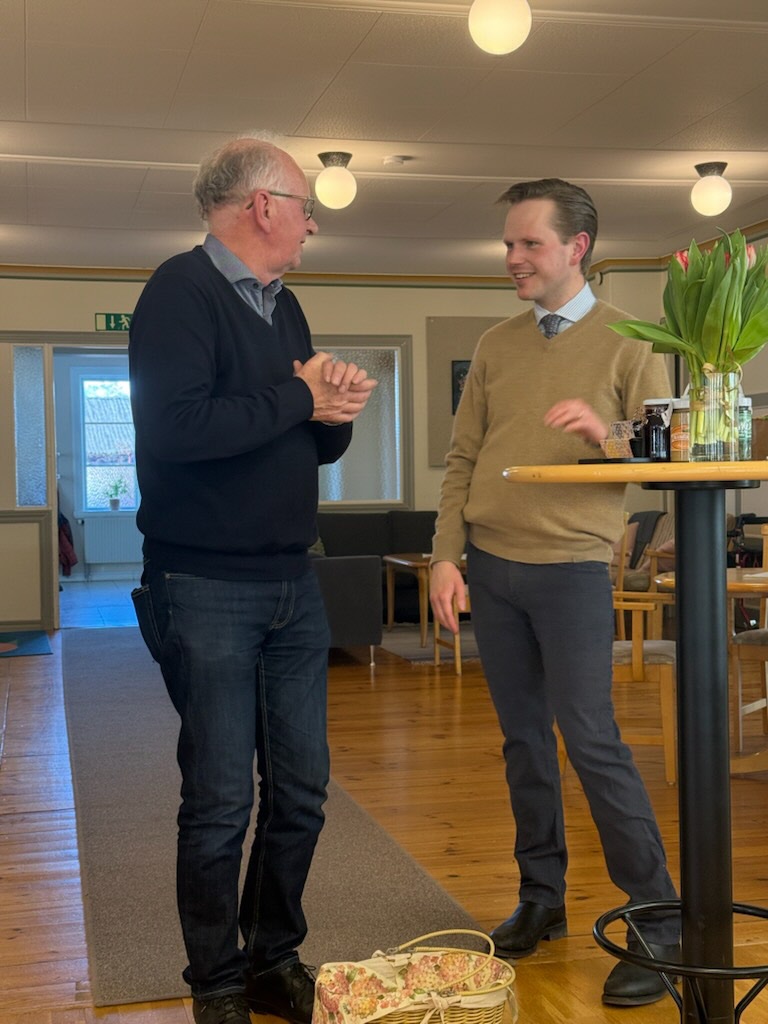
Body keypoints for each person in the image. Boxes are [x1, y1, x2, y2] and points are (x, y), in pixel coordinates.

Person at [128, 136, 376, 1024]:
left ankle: (274, 960)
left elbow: (305, 439)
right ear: (263, 206)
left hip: (292, 584)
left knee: (302, 794)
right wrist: (302, 396)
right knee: (220, 803)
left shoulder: (286, 306)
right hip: (203, 585)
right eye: (306, 207)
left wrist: (334, 410)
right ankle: (218, 984)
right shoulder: (178, 292)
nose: (313, 224)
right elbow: (177, 429)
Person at [429, 178, 679, 1008]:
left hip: (571, 568)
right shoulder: (496, 343)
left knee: (591, 740)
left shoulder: (630, 340)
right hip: (492, 567)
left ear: (577, 247)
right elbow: (463, 459)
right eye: (508, 243)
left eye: (529, 243)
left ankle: (658, 919)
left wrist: (606, 435)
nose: (513, 257)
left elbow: (662, 462)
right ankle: (542, 898)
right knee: (523, 743)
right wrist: (446, 557)